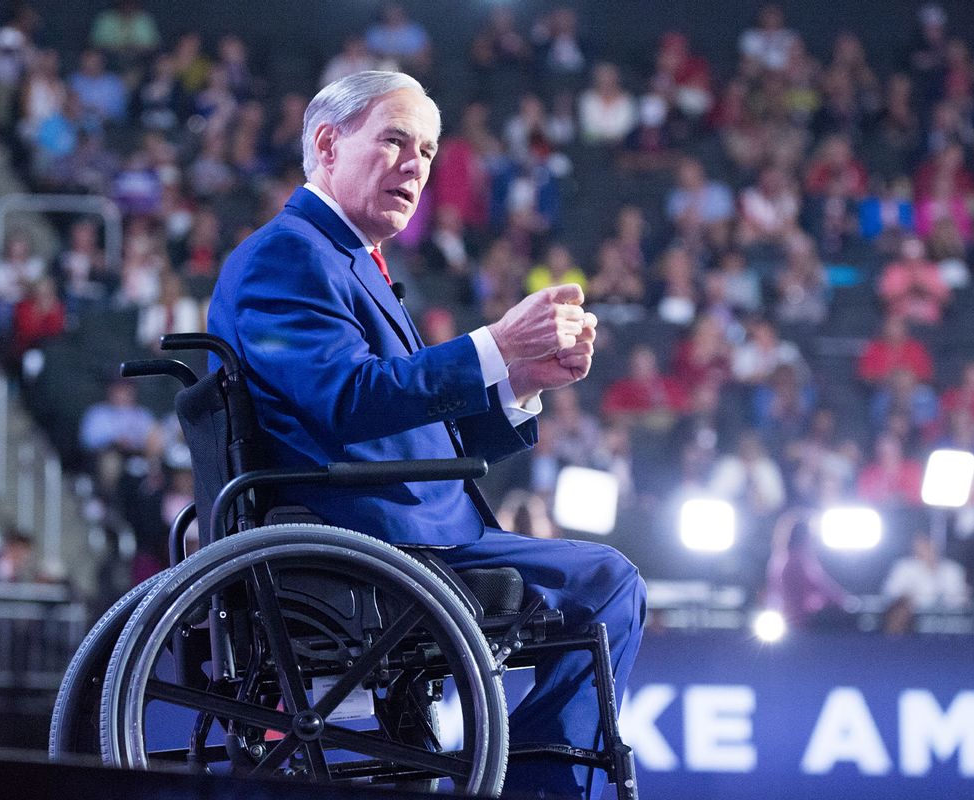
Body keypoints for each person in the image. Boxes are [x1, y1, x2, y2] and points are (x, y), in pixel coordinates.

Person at [206, 71, 645, 800]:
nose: (416, 164)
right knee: (605, 584)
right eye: (395, 140)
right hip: (365, 539)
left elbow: (408, 427)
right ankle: (543, 790)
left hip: (393, 526)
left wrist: (523, 381)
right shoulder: (288, 256)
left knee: (601, 579)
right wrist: (494, 343)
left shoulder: (350, 263)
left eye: (429, 151)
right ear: (326, 143)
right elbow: (346, 402)